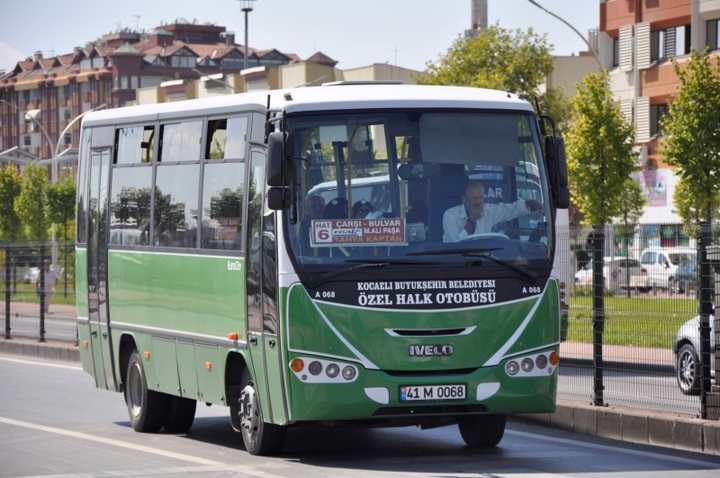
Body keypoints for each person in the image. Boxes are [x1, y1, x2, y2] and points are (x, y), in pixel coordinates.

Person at [442, 181, 541, 243]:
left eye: (480, 198)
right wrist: (470, 224)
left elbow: (509, 210)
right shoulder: (450, 215)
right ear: (464, 199)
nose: (478, 202)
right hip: (458, 265)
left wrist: (528, 205)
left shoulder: (488, 211)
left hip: (485, 263)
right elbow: (453, 246)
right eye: (474, 198)